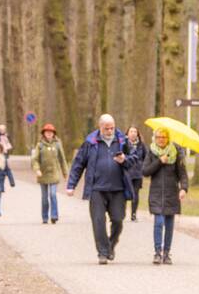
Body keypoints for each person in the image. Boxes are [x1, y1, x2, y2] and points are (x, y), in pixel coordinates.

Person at [66, 114, 140, 264]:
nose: (110, 131)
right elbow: (78, 164)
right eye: (106, 128)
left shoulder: (122, 140)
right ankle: (102, 252)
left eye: (112, 128)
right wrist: (71, 185)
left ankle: (110, 245)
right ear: (100, 127)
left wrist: (124, 160)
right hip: (97, 189)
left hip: (118, 189)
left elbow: (135, 157)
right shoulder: (90, 142)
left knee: (118, 220)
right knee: (98, 221)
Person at [142, 127, 188, 265]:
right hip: (156, 193)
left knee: (169, 225)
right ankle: (157, 252)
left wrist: (183, 188)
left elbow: (182, 173)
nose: (161, 139)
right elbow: (145, 171)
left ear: (168, 138)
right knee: (159, 222)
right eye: (158, 137)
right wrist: (159, 162)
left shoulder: (176, 152)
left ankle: (167, 253)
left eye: (164, 137)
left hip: (171, 193)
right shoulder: (151, 151)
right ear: (155, 138)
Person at [31, 124, 69, 224]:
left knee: (52, 194)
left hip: (54, 173)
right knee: (44, 198)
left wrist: (65, 173)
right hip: (42, 174)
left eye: (51, 132)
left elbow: (62, 159)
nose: (49, 134)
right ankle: (44, 217)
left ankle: (54, 215)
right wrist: (37, 169)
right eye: (47, 132)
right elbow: (35, 160)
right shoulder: (40, 145)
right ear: (43, 133)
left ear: (53, 134)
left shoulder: (57, 144)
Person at [125, 125, 148, 222]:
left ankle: (133, 214)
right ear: (127, 133)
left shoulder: (141, 145)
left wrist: (142, 166)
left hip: (138, 173)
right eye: (131, 131)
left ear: (137, 134)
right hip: (126, 173)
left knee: (135, 194)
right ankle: (121, 213)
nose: (133, 133)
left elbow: (146, 157)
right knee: (124, 193)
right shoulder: (124, 144)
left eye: (135, 131)